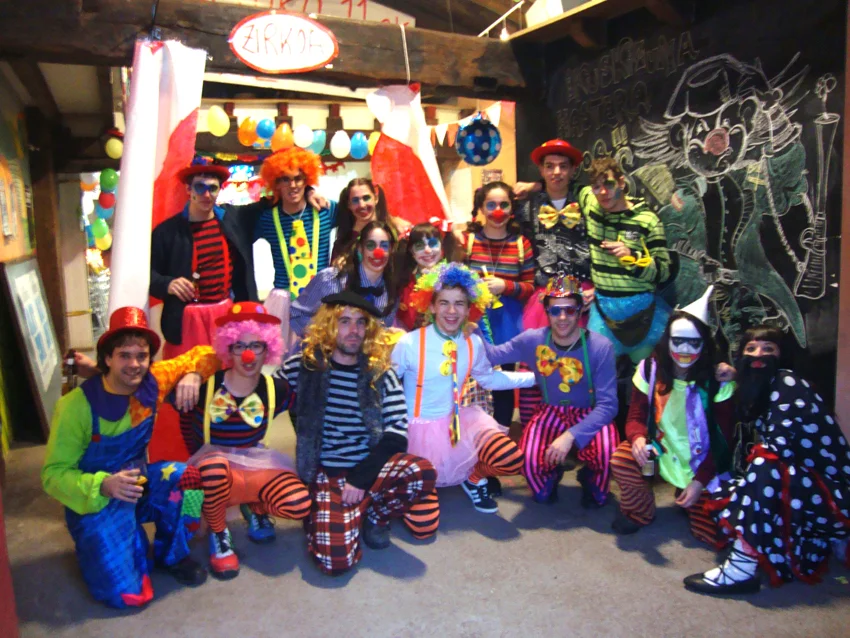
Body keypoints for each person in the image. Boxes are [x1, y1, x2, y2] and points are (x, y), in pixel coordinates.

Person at [41, 307, 219, 608]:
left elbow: (210, 353)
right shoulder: (75, 407)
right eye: (124, 355)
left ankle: (172, 554)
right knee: (129, 595)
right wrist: (103, 485)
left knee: (186, 478)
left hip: (139, 485)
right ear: (107, 358)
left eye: (142, 356)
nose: (135, 364)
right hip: (96, 497)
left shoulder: (154, 380)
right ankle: (122, 536)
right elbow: (53, 475)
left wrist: (193, 373)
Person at [275, 292, 436, 575]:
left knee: (421, 471)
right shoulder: (304, 366)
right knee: (335, 561)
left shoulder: (379, 373)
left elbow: (397, 433)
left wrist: (361, 477)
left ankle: (375, 514)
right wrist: (200, 374)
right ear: (329, 325)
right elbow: (261, 393)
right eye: (345, 321)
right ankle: (328, 513)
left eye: (361, 322)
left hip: (370, 468)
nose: (354, 330)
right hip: (327, 472)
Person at [684, 325, 850, 595]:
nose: (758, 355)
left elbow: (778, 449)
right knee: (747, 477)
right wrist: (738, 375)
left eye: (768, 349)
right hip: (802, 490)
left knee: (763, 464)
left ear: (782, 355)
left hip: (830, 496)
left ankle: (741, 567)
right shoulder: (768, 386)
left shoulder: (789, 382)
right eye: (750, 349)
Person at [392, 263, 535, 531]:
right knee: (423, 525)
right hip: (415, 431)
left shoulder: (473, 343)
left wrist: (535, 378)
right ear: (431, 306)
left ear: (470, 308)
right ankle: (421, 485)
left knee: (509, 456)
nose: (451, 311)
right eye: (444, 303)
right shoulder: (409, 343)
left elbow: (489, 379)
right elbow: (386, 386)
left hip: (457, 424)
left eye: (459, 303)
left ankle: (474, 478)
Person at [178, 302, 310, 580]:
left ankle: (256, 507)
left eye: (256, 345)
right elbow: (185, 422)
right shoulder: (205, 386)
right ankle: (218, 533)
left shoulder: (277, 388)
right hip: (214, 467)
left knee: (299, 502)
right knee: (212, 469)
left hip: (255, 463)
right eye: (239, 346)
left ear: (268, 348)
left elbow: (307, 411)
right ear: (228, 348)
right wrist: (189, 372)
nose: (248, 354)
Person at [609, 287, 736, 547]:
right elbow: (635, 416)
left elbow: (723, 443)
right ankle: (640, 511)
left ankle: (689, 493)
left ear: (704, 344)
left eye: (694, 343)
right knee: (622, 459)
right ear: (667, 340)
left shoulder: (718, 382)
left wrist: (700, 481)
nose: (685, 349)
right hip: (660, 452)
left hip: (700, 464)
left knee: (713, 536)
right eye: (678, 341)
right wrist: (637, 438)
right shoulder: (649, 369)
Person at [480, 273, 619, 506]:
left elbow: (608, 406)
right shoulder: (532, 340)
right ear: (546, 311)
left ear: (580, 310)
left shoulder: (600, 346)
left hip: (589, 412)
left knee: (607, 453)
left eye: (570, 310)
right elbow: (492, 355)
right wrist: (472, 324)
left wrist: (570, 436)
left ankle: (591, 477)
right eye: (555, 310)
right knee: (530, 466)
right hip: (550, 411)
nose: (562, 317)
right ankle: (550, 475)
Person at [150, 158, 257, 359]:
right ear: (188, 190)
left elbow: (271, 204)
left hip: (226, 316)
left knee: (225, 374)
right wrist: (168, 284)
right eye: (200, 187)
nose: (206, 194)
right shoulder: (167, 232)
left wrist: (310, 191)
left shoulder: (232, 220)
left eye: (213, 188)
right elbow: (147, 275)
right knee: (186, 374)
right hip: (185, 320)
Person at [582, 156, 672, 363]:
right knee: (599, 370)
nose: (603, 192)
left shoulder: (647, 220)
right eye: (596, 187)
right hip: (604, 310)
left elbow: (664, 271)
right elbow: (570, 186)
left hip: (640, 312)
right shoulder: (591, 203)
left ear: (621, 183)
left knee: (644, 373)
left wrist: (633, 258)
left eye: (609, 184)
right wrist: (536, 186)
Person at [463, 181, 535, 427]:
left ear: (512, 208)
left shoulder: (521, 244)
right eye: (491, 205)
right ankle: (474, 431)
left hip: (508, 325)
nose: (497, 211)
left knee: (503, 382)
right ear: (481, 208)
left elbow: (530, 287)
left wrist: (506, 286)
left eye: (503, 204)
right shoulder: (467, 242)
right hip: (474, 323)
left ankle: (501, 431)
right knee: (472, 380)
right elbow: (455, 281)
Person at [250, 147, 338, 345]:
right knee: (285, 358)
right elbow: (237, 234)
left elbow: (358, 218)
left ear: (307, 180)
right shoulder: (266, 219)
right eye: (285, 179)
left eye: (298, 178)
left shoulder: (326, 209)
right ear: (276, 183)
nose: (293, 185)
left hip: (322, 300)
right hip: (284, 303)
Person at [290, 220, 399, 336]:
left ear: (391, 250)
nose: (378, 252)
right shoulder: (330, 279)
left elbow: (382, 331)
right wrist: (325, 335)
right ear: (360, 248)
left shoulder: (391, 292)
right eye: (370, 245)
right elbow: (296, 314)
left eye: (384, 246)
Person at [515, 139, 591, 287]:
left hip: (583, 287)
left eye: (563, 166)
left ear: (573, 170)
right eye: (549, 166)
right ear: (541, 170)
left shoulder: (587, 203)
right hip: (544, 288)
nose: (556, 172)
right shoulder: (527, 207)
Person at [396, 221, 460, 331]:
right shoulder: (403, 282)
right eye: (419, 246)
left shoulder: (456, 279)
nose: (427, 250)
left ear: (441, 247)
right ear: (412, 252)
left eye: (433, 243)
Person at [330, 177, 410, 260]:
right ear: (349, 205)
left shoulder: (397, 230)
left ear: (376, 199)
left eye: (366, 198)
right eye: (355, 200)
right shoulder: (342, 244)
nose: (362, 205)